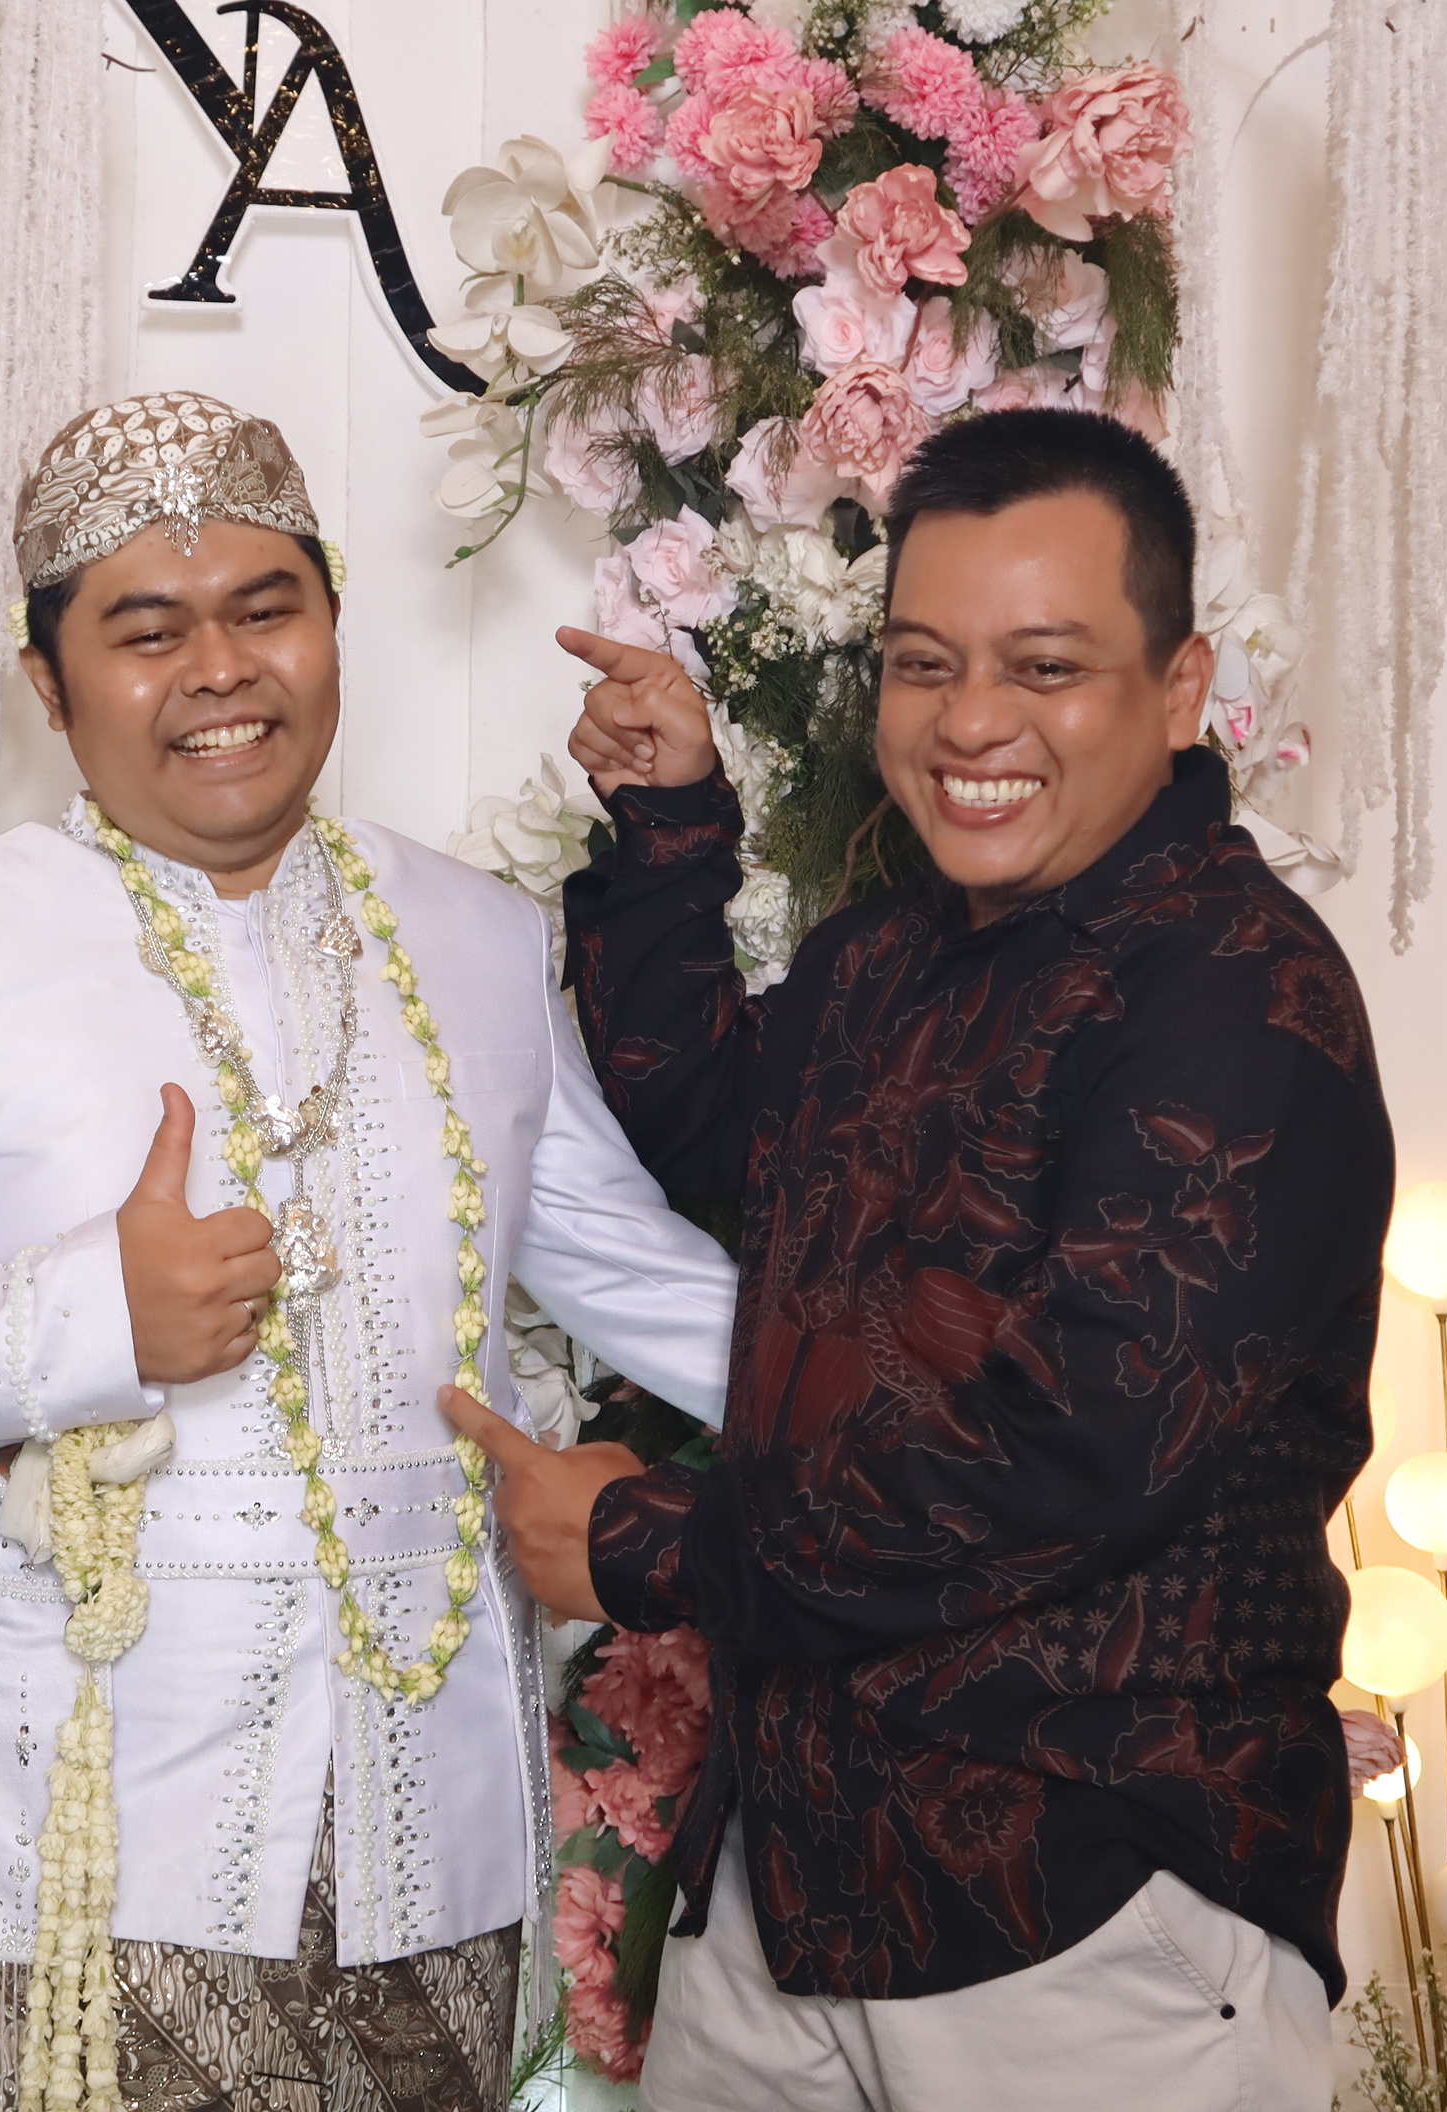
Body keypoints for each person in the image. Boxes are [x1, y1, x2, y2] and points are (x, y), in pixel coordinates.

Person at [0, 391, 740, 2111]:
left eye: (267, 609)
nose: (222, 669)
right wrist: (83, 1316)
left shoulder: (474, 937)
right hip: (67, 1842)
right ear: (50, 685)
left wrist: (948, 1455)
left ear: (332, 623)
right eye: (146, 630)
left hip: (421, 1824)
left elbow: (638, 1276)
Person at [450, 407, 1389, 2110]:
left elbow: (1056, 1463)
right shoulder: (890, 955)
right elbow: (718, 1137)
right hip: (794, 1893)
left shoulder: (1242, 1000)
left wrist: (644, 1541)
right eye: (924, 664)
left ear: (1179, 689)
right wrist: (671, 826)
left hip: (1087, 1913)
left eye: (1047, 668)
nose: (971, 723)